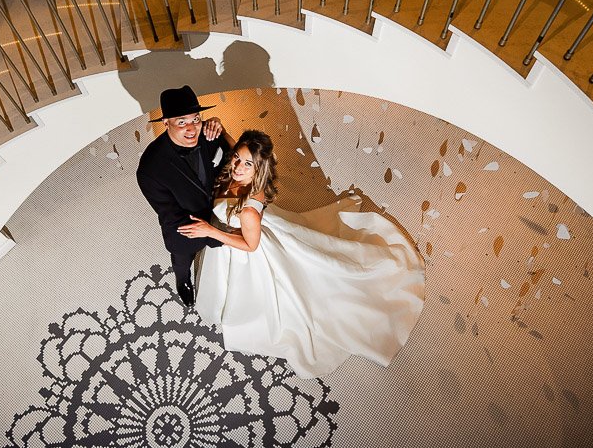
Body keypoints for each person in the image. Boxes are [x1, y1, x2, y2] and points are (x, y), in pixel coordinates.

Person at [179, 130, 426, 378]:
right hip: (244, 231)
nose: (237, 167)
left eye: (247, 164)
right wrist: (220, 128)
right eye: (237, 159)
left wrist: (210, 231)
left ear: (259, 170)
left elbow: (250, 246)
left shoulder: (249, 212)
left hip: (243, 249)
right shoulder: (243, 169)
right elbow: (235, 148)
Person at [136, 85, 233, 307]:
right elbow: (171, 215)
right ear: (166, 123)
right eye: (181, 122)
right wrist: (214, 234)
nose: (191, 129)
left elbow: (233, 161)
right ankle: (183, 281)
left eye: (195, 119)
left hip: (219, 211)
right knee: (182, 260)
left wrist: (222, 129)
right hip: (184, 230)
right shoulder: (150, 169)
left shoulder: (209, 134)